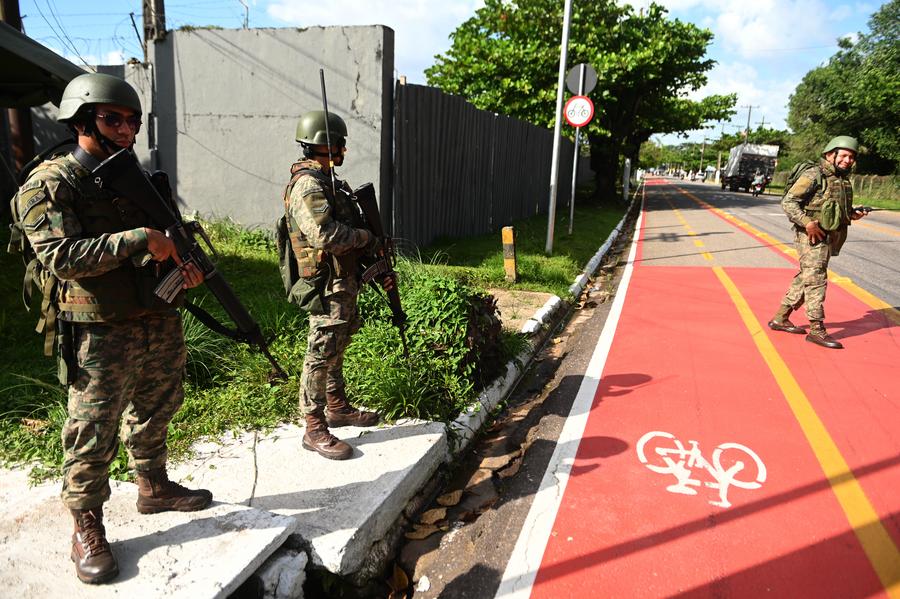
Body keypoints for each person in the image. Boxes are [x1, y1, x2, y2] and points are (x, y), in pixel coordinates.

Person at [12, 72, 212, 584]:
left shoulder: (137, 178)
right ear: (82, 121)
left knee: (159, 404)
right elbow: (60, 257)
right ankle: (86, 524)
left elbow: (166, 241)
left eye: (133, 121)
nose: (125, 129)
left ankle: (153, 486)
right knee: (93, 428)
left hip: (154, 315)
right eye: (112, 119)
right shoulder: (50, 183)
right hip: (98, 327)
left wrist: (179, 267)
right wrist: (139, 238)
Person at [283, 110, 389, 460]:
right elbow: (324, 234)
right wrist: (364, 237)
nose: (343, 150)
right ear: (326, 145)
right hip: (325, 283)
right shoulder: (308, 186)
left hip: (344, 279)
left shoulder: (331, 182)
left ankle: (336, 406)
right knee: (321, 350)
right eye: (339, 144)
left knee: (339, 342)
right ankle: (313, 427)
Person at [767, 136, 866, 349]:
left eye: (851, 157)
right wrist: (807, 223)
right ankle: (816, 329)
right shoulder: (814, 174)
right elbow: (789, 202)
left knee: (807, 276)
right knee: (817, 278)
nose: (848, 160)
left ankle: (780, 318)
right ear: (831, 154)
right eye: (844, 155)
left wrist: (853, 214)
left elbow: (835, 210)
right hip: (811, 235)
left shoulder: (841, 180)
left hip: (828, 236)